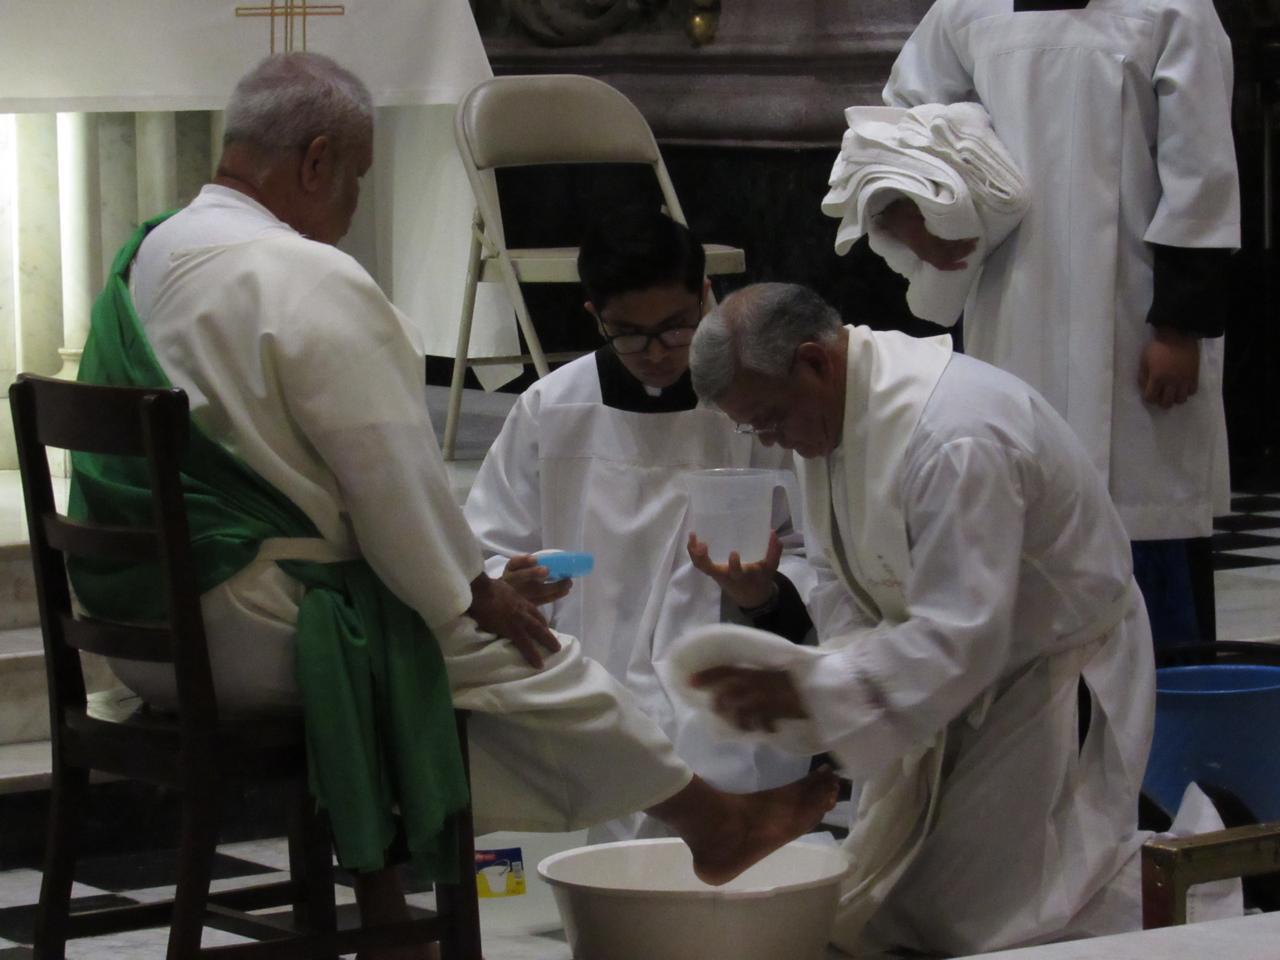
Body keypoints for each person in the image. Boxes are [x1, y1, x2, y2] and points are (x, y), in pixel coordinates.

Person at [67, 54, 837, 959]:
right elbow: (394, 484)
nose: (351, 204)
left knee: (429, 636)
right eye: (358, 178)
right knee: (517, 652)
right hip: (240, 628)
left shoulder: (148, 252)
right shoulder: (307, 278)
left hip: (142, 628)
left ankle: (391, 915)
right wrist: (473, 592)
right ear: (317, 161)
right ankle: (709, 823)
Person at [686, 283, 1156, 956]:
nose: (770, 439)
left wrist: (821, 688)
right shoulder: (825, 411)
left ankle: (1194, 897)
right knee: (884, 901)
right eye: (753, 428)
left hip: (1045, 669)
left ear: (814, 361)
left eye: (769, 420)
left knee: (1003, 918)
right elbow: (839, 573)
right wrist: (828, 675)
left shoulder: (954, 436)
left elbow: (965, 631)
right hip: (936, 667)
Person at [874, 0, 1242, 650]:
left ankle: (1166, 699)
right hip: (1012, 308)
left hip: (1136, 322)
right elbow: (904, 119)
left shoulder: (1174, 9)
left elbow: (1201, 173)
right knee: (1020, 506)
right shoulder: (967, 10)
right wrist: (910, 207)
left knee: (1145, 522)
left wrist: (1180, 326)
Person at [464, 208, 816, 841]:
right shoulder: (554, 408)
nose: (656, 353)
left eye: (676, 328)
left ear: (706, 296)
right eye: (629, 334)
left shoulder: (750, 405)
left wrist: (764, 592)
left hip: (721, 683)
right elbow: (487, 549)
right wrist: (510, 582)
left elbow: (810, 548)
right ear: (594, 315)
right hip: (591, 679)